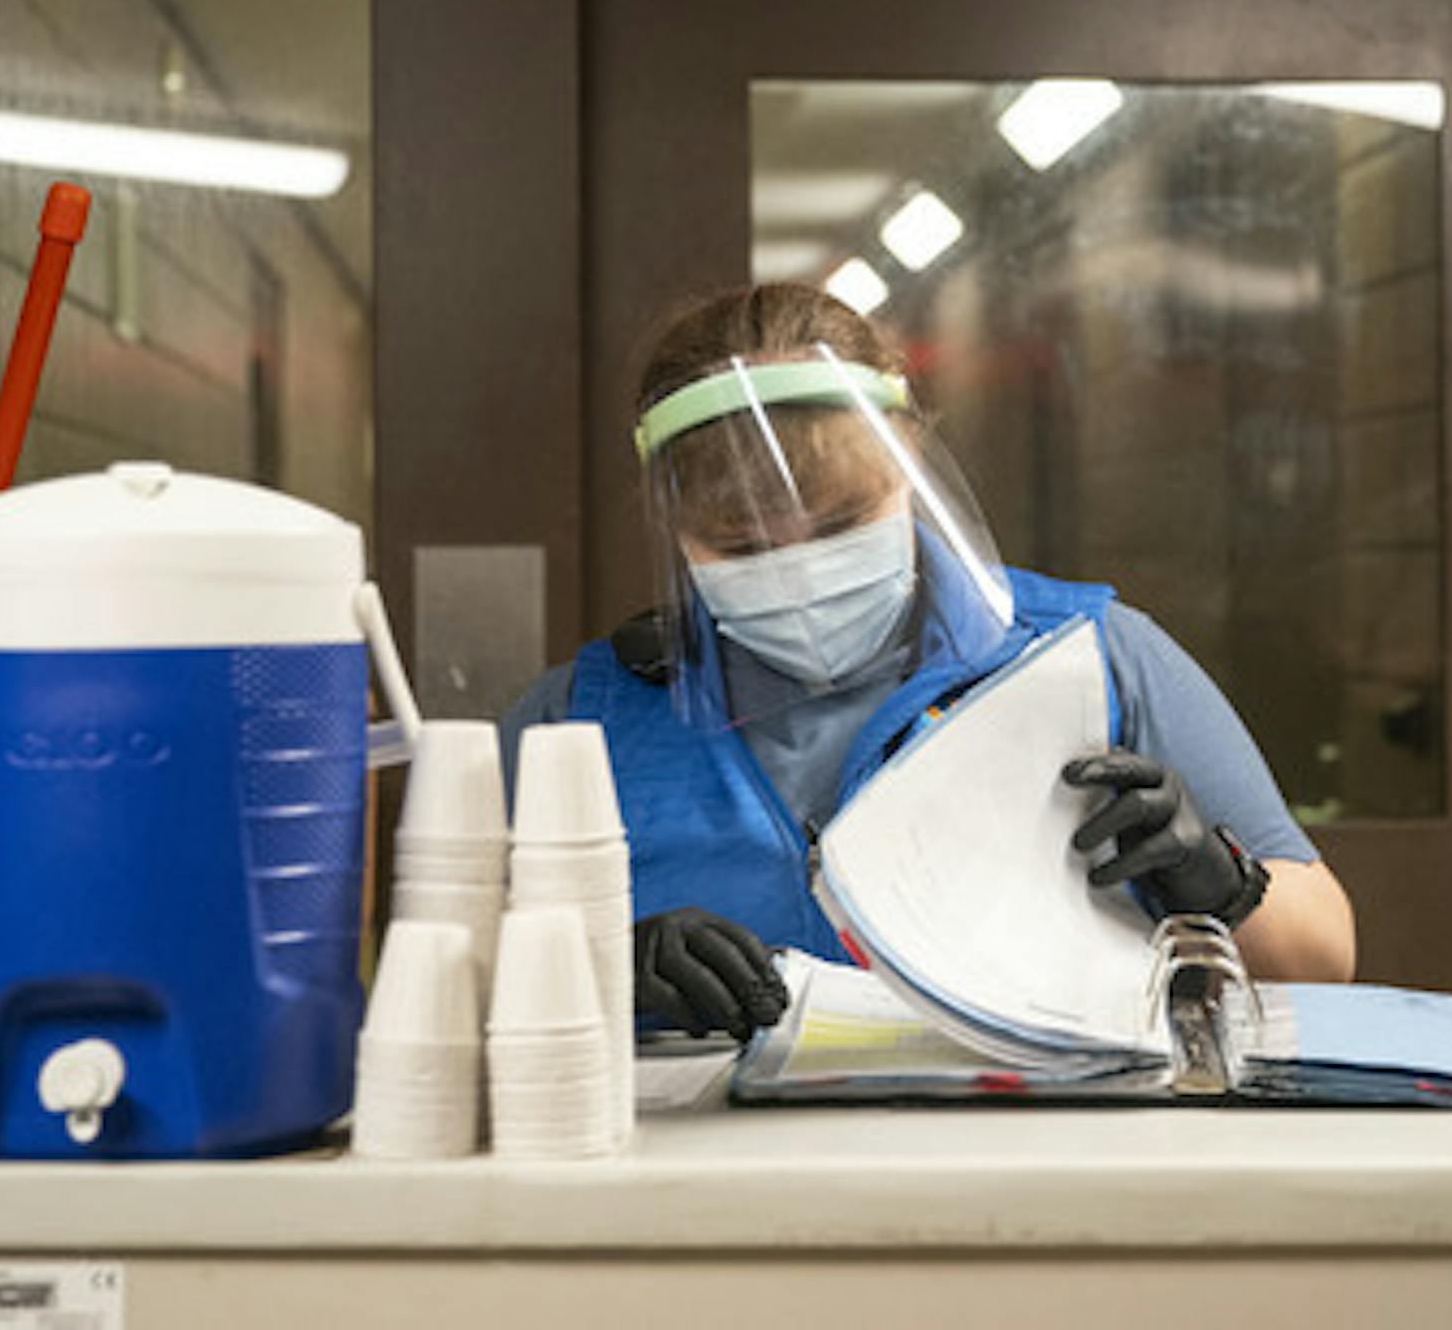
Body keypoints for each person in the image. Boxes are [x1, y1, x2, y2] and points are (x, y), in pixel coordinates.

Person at [501, 283, 1354, 1042]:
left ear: (908, 453)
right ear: (670, 522)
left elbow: (1323, 960)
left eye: (840, 525)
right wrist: (601, 962)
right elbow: (445, 989)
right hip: (695, 1197)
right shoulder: (578, 722)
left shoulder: (1091, 656)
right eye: (741, 545)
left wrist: (1217, 879)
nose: (797, 570)